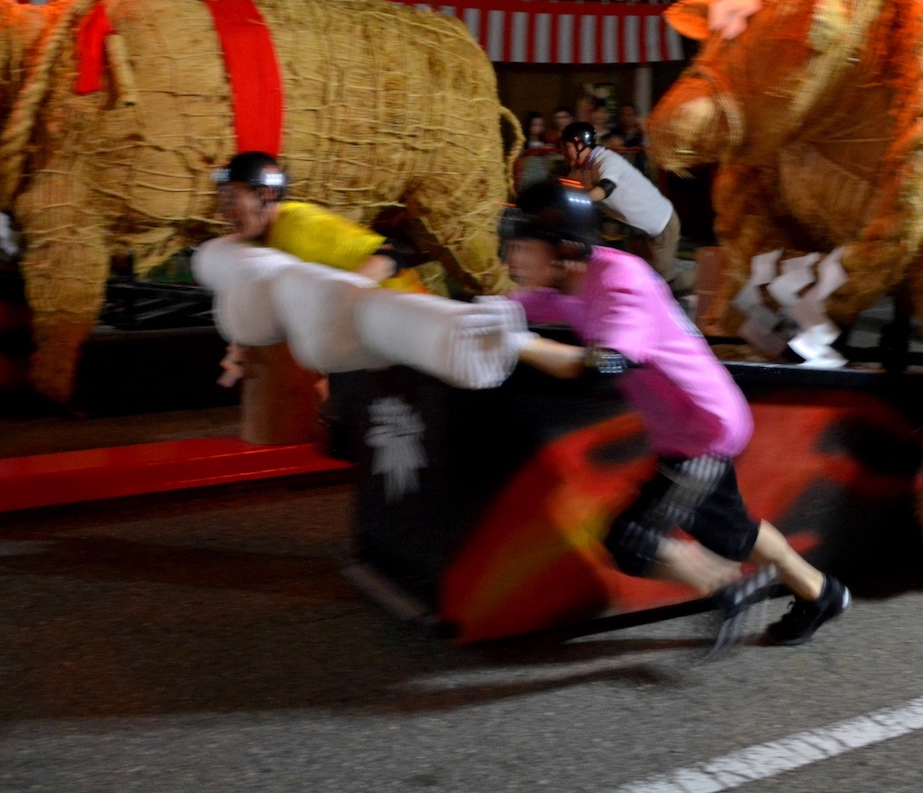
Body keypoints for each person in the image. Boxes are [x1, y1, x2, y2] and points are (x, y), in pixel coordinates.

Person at [502, 179, 850, 650]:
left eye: (522, 247)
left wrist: (520, 343)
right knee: (734, 531)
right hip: (686, 426)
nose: (512, 258)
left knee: (629, 539)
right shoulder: (570, 280)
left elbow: (605, 366)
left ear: (563, 249)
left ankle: (726, 586)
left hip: (701, 428)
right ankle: (821, 593)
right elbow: (516, 308)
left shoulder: (621, 281)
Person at [214, 151, 425, 387]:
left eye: (233, 199)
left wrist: (333, 302)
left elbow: (393, 253)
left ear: (267, 193)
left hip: (409, 333)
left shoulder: (300, 227)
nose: (226, 212)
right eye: (223, 199)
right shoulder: (266, 239)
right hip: (374, 341)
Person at [558, 122, 684, 286]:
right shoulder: (579, 171)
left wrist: (580, 200)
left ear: (580, 144)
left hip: (661, 225)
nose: (564, 153)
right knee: (636, 280)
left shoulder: (607, 160)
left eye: (566, 146)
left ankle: (706, 278)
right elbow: (565, 191)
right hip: (638, 231)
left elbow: (605, 189)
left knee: (665, 285)